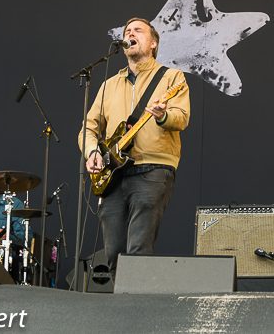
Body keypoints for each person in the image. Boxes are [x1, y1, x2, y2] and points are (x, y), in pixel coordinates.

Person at [79, 17, 190, 272]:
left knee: (138, 250)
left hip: (152, 168)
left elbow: (182, 117)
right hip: (113, 173)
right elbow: (89, 128)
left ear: (153, 43)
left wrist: (162, 115)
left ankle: (136, 297)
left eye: (138, 30)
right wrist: (92, 151)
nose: (130, 33)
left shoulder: (172, 77)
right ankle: (120, 297)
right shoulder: (109, 84)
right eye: (127, 31)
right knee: (113, 254)